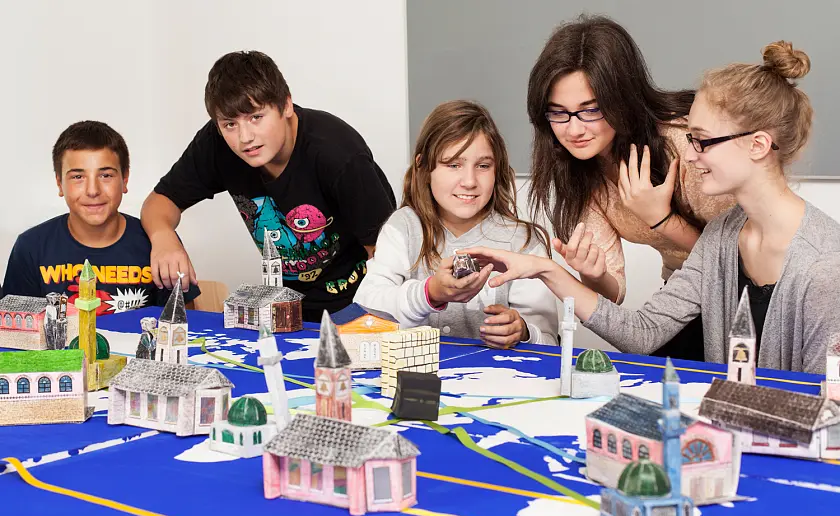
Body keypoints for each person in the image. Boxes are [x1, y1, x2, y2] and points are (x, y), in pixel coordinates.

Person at [466, 41, 840, 374]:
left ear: (758, 145)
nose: (688, 155)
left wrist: (661, 219)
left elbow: (827, 403)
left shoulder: (824, 264)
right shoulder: (721, 237)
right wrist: (546, 270)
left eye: (701, 141)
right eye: (690, 138)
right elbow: (644, 333)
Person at [526, 14, 737, 360]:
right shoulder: (580, 169)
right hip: (683, 292)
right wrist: (592, 274)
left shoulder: (683, 144)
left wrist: (662, 220)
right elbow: (612, 295)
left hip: (743, 291)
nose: (573, 130)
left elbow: (738, 257)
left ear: (620, 99)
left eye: (590, 110)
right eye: (559, 113)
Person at [141, 50, 396, 322]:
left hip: (357, 307)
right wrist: (164, 237)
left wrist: (371, 323)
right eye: (230, 124)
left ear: (286, 105)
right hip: (284, 311)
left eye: (256, 117)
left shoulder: (338, 154)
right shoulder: (216, 145)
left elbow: (386, 256)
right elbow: (159, 202)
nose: (245, 137)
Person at [354, 100, 558, 348]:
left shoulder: (522, 241)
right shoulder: (403, 228)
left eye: (483, 166)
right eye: (453, 165)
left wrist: (523, 332)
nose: (470, 181)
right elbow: (366, 309)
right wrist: (430, 293)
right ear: (423, 167)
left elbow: (548, 341)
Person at [3, 121, 199, 315]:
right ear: (59, 184)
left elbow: (184, 322)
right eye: (78, 177)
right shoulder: (31, 247)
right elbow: (13, 325)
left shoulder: (159, 242)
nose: (93, 190)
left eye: (105, 175)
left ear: (125, 179)